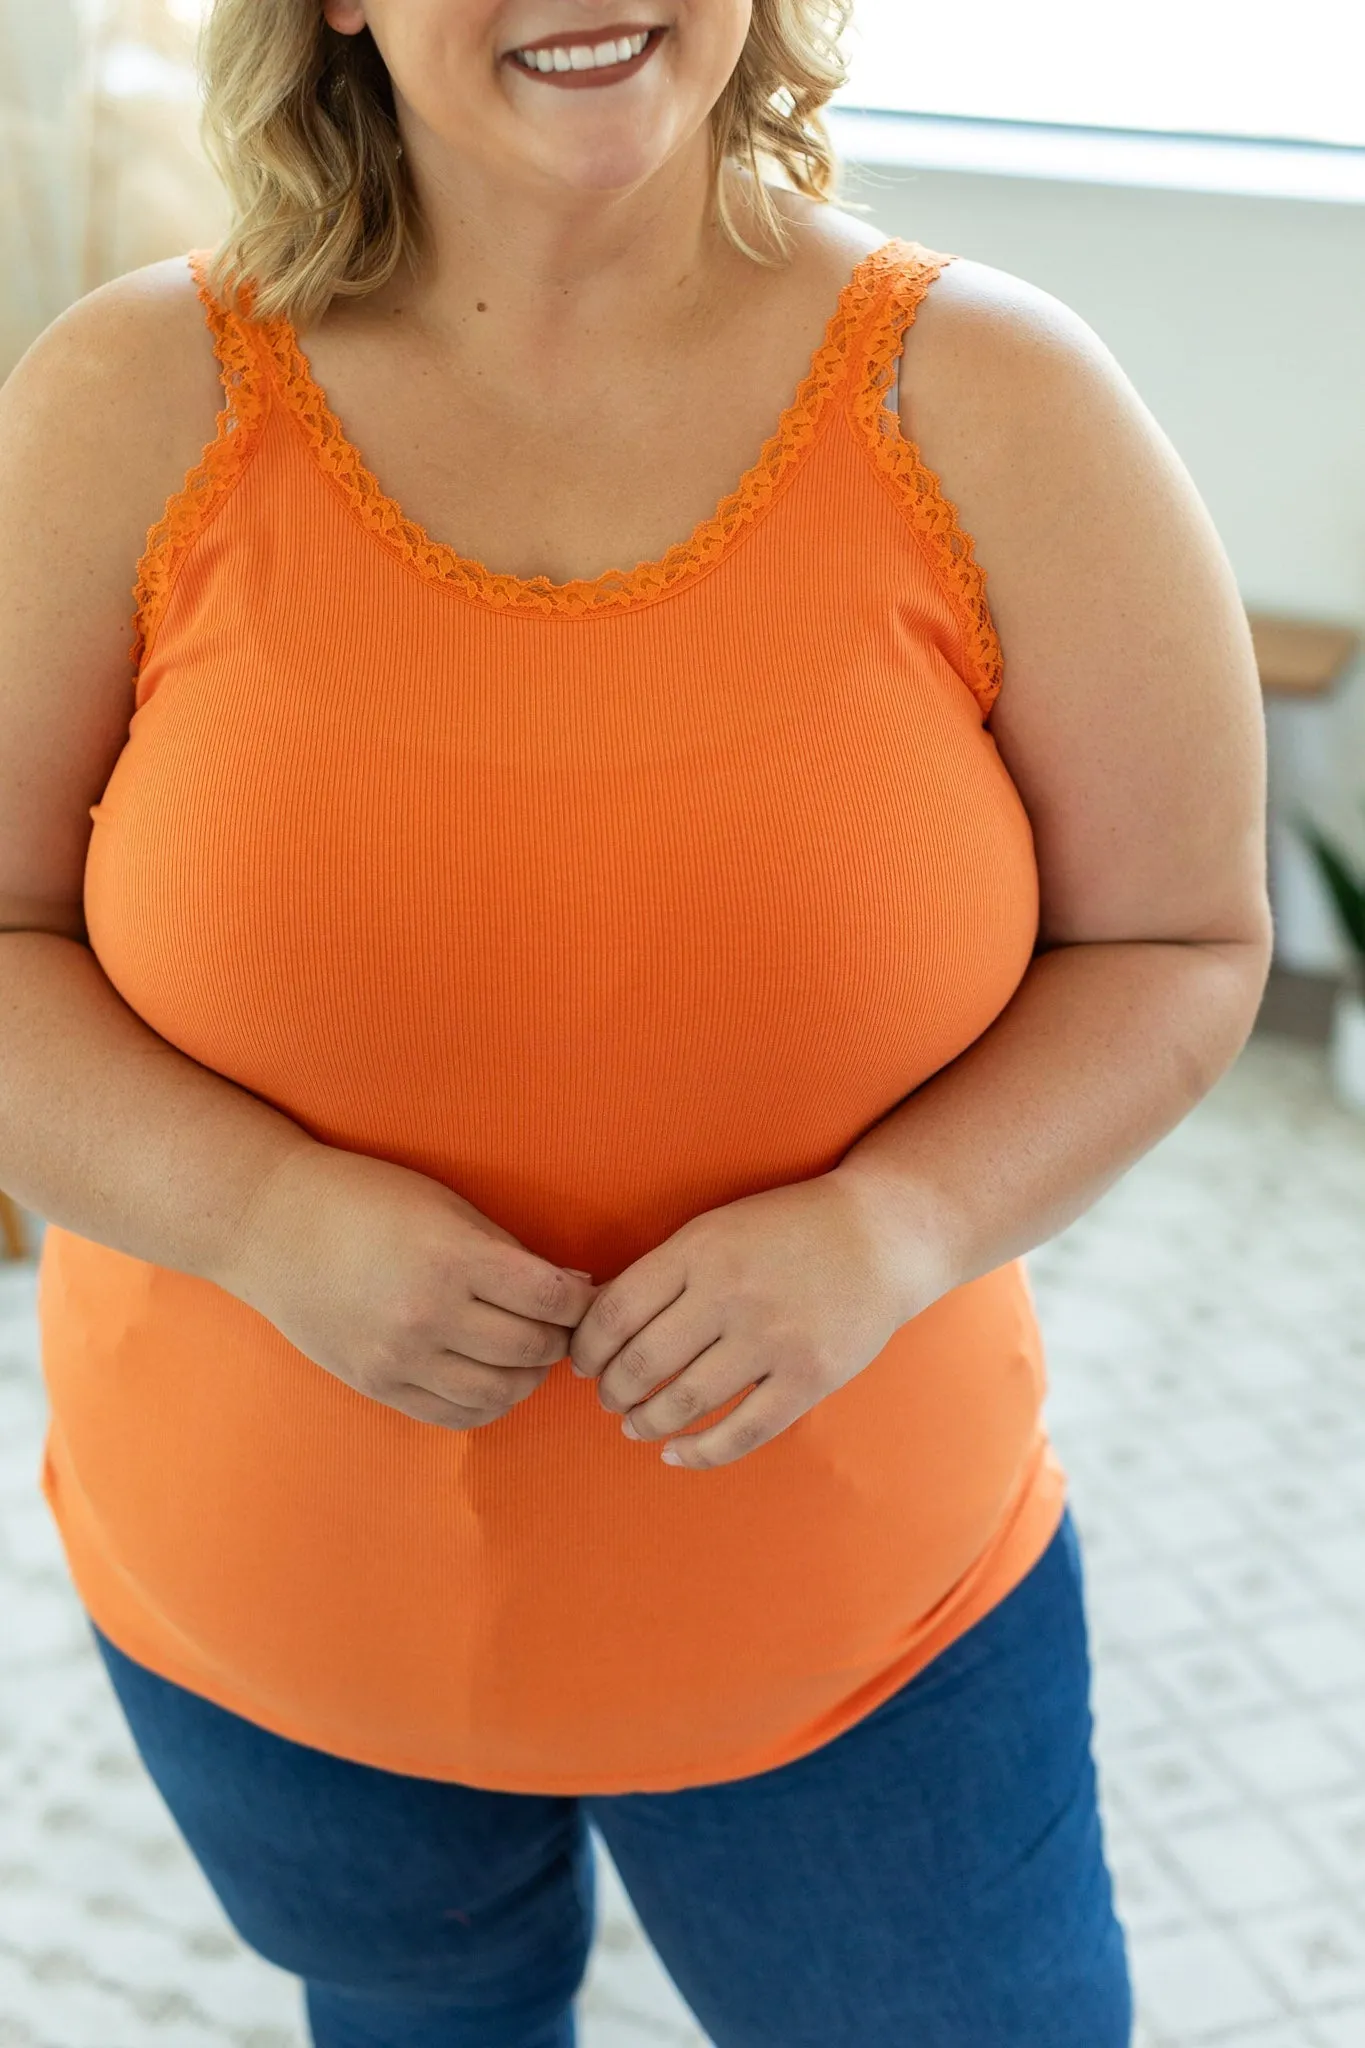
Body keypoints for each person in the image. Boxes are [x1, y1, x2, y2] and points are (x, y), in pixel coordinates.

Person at [0, 1, 1271, 2043]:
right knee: (420, 2009)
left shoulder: (999, 402)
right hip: (275, 1616)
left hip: (862, 1624)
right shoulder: (131, 399)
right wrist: (252, 1215)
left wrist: (901, 1226)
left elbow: (1182, 945)